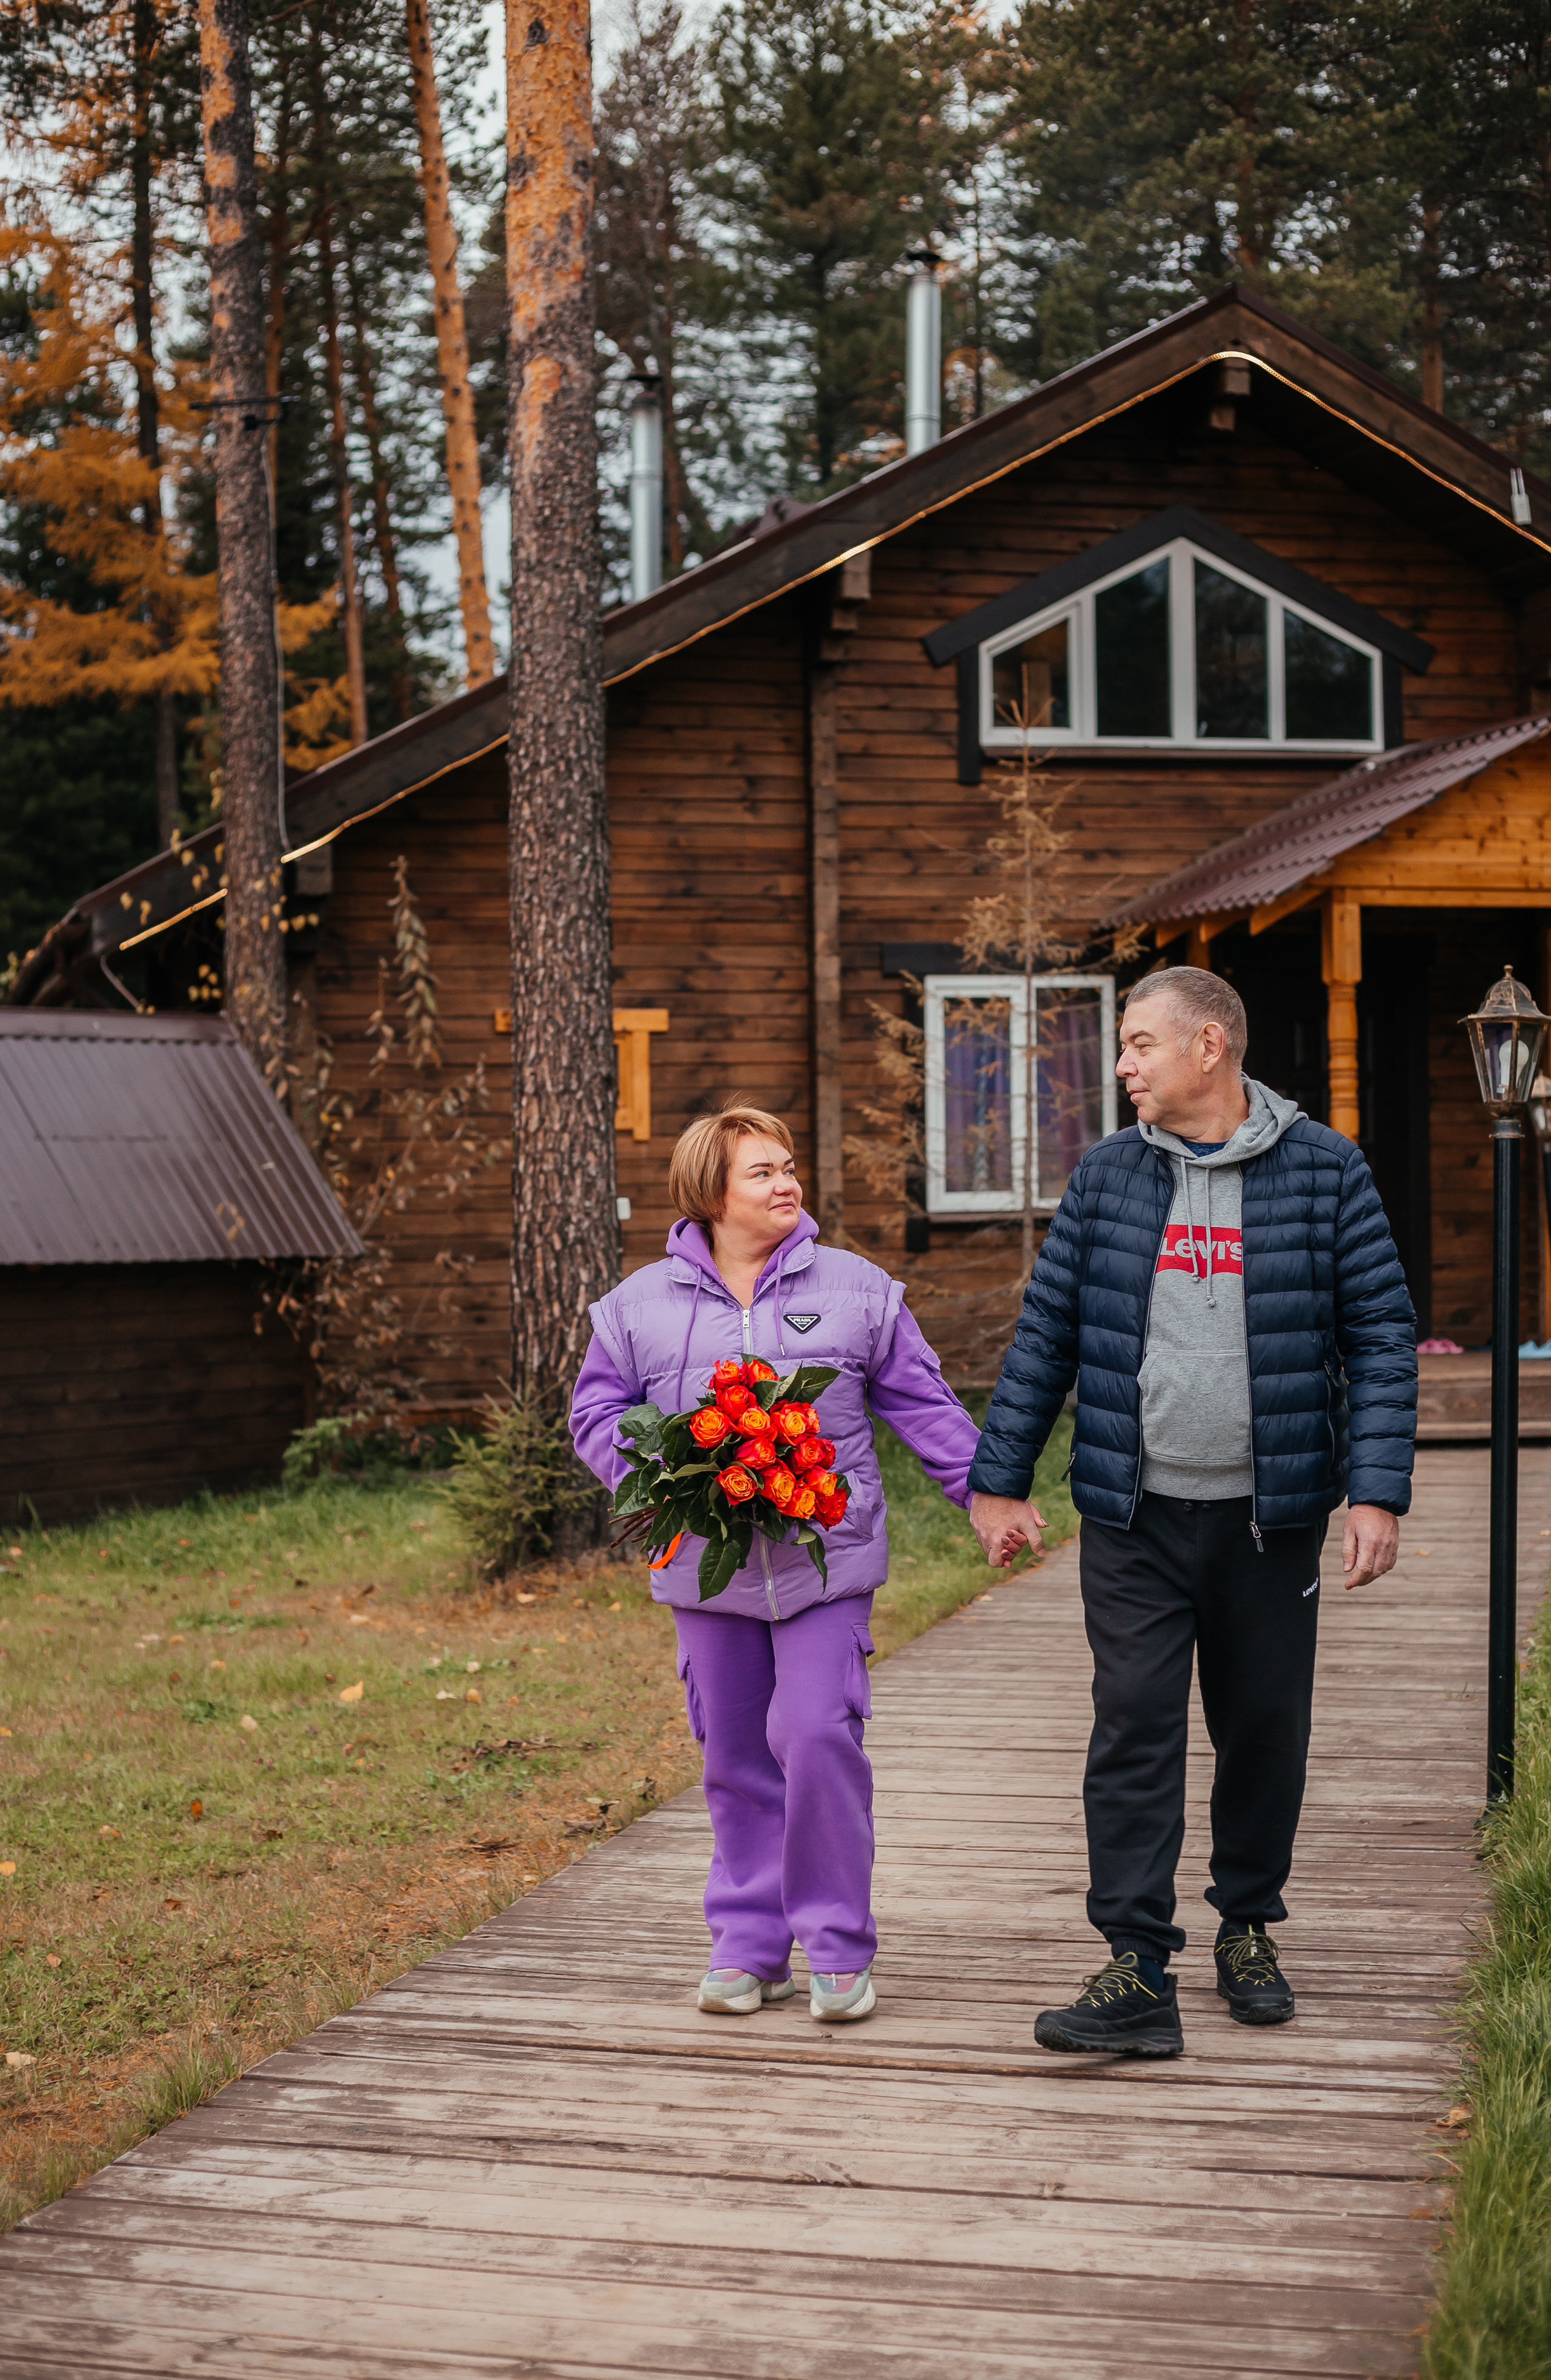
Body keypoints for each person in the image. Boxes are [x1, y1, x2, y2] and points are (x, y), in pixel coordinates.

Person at [966, 966, 1417, 2057]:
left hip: (1272, 1517)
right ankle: (1135, 1964)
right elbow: (1047, 1336)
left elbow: (1382, 1337)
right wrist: (999, 1476)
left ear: (1209, 1045)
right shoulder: (1110, 1176)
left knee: (1264, 1727)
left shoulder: (1325, 1170)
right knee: (1133, 1726)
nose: (1120, 1065)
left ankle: (1248, 1927)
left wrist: (1376, 1490)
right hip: (1136, 1512)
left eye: (1137, 1044)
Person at [570, 1103, 981, 2025]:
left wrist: (986, 1495)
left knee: (817, 1732)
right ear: (711, 1192)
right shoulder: (639, 1305)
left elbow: (923, 1402)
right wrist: (674, 1475)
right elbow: (596, 1415)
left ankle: (837, 1945)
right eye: (762, 1172)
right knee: (734, 1755)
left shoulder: (857, 1288)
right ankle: (751, 1945)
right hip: (703, 1569)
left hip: (823, 1564)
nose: (786, 1182)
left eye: (789, 1165)